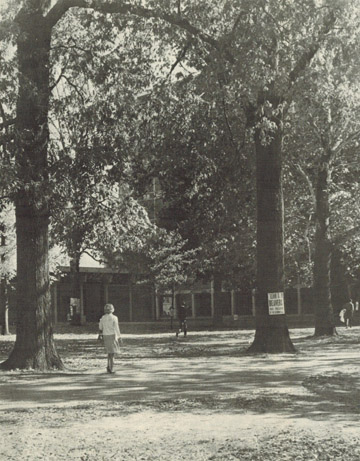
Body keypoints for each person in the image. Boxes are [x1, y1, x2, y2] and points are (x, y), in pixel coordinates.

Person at [98, 303, 122, 373]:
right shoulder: (114, 318)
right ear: (112, 310)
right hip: (112, 335)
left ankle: (108, 366)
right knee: (112, 353)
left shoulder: (102, 318)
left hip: (105, 335)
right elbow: (116, 328)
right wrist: (119, 336)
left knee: (109, 353)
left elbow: (100, 327)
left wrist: (100, 335)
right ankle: (111, 368)